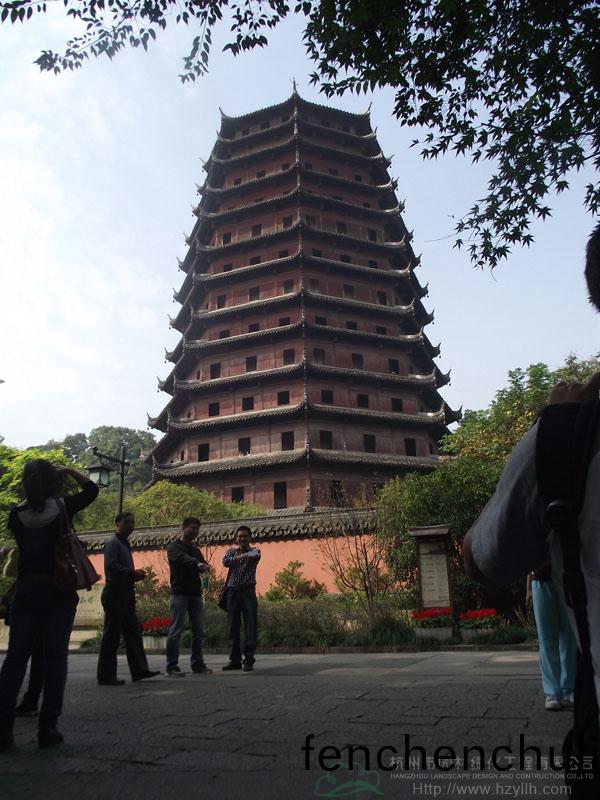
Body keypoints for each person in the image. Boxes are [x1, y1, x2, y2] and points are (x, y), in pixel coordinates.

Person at [0, 460, 99, 751]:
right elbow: (92, 490)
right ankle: (48, 727)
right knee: (56, 659)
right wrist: (69, 471)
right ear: (53, 480)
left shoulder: (16, 515)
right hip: (58, 591)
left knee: (15, 660)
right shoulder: (63, 508)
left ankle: (3, 730)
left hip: (26, 591)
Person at [96, 512, 160, 686]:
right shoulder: (113, 543)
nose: (130, 525)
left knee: (132, 632)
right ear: (117, 523)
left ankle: (140, 670)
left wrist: (133, 575)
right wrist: (131, 573)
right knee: (112, 634)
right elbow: (111, 566)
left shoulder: (124, 543)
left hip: (126, 591)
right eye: (126, 522)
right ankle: (106, 675)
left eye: (132, 522)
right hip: (115, 591)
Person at [526, 563, 577, 711]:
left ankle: (568, 688)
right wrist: (529, 588)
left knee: (569, 638)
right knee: (546, 639)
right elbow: (528, 557)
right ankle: (552, 693)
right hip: (541, 579)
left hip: (568, 579)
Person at [165, 516, 212, 677]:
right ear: (183, 528)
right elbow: (183, 559)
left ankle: (197, 664)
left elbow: (202, 565)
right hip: (179, 594)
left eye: (197, 529)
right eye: (192, 528)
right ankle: (172, 666)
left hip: (195, 594)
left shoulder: (196, 550)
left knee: (198, 630)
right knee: (176, 630)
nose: (195, 531)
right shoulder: (173, 547)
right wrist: (197, 564)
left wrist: (205, 568)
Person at [222, 526, 261, 672]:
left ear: (250, 538)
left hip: (247, 592)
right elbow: (225, 562)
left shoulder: (255, 551)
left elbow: (254, 555)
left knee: (250, 625)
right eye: (240, 536)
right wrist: (240, 557)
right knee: (232, 627)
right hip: (232, 592)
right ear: (236, 538)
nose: (242, 539)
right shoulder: (231, 551)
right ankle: (234, 660)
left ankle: (248, 660)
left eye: (245, 536)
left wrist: (240, 557)